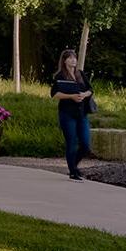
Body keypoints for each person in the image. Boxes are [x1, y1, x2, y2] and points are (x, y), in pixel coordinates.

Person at [50, 49, 94, 181]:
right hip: (67, 113)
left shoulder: (80, 74)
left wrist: (84, 94)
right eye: (70, 58)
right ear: (64, 60)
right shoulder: (60, 76)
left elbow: (90, 89)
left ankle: (74, 166)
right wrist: (71, 97)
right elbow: (54, 94)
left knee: (85, 144)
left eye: (74, 58)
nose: (73, 60)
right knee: (72, 142)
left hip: (82, 113)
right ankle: (73, 171)